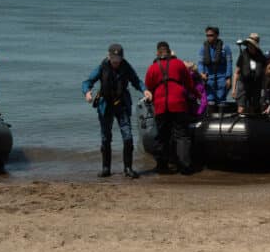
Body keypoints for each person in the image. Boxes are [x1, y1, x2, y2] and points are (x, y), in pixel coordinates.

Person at [82, 43, 147, 178]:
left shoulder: (126, 67)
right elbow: (87, 81)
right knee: (106, 137)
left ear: (122, 58)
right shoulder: (102, 67)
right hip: (105, 106)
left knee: (127, 136)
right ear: (109, 56)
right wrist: (87, 92)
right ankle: (106, 168)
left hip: (121, 105)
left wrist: (145, 90)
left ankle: (128, 168)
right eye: (113, 59)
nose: (116, 62)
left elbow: (136, 81)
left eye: (118, 60)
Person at [144, 41, 193, 174]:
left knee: (162, 136)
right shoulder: (178, 64)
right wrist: (196, 94)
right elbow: (188, 82)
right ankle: (185, 167)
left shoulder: (153, 68)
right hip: (178, 103)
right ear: (170, 52)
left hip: (161, 105)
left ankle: (162, 165)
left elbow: (149, 85)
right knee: (182, 135)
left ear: (157, 53)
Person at [231, 33, 267, 114]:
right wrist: (233, 89)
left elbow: (264, 76)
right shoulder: (243, 55)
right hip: (243, 84)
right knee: (241, 108)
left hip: (256, 85)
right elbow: (236, 73)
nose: (250, 46)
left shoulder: (261, 57)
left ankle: (252, 125)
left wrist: (264, 90)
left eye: (252, 44)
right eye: (248, 44)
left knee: (252, 108)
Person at [197, 26, 233, 105]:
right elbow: (200, 63)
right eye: (207, 35)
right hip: (208, 77)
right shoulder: (203, 48)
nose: (209, 37)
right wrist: (201, 74)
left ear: (217, 35)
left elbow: (229, 63)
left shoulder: (225, 48)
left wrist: (228, 78)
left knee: (221, 100)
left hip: (222, 77)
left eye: (211, 35)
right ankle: (209, 115)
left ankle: (222, 115)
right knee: (210, 101)